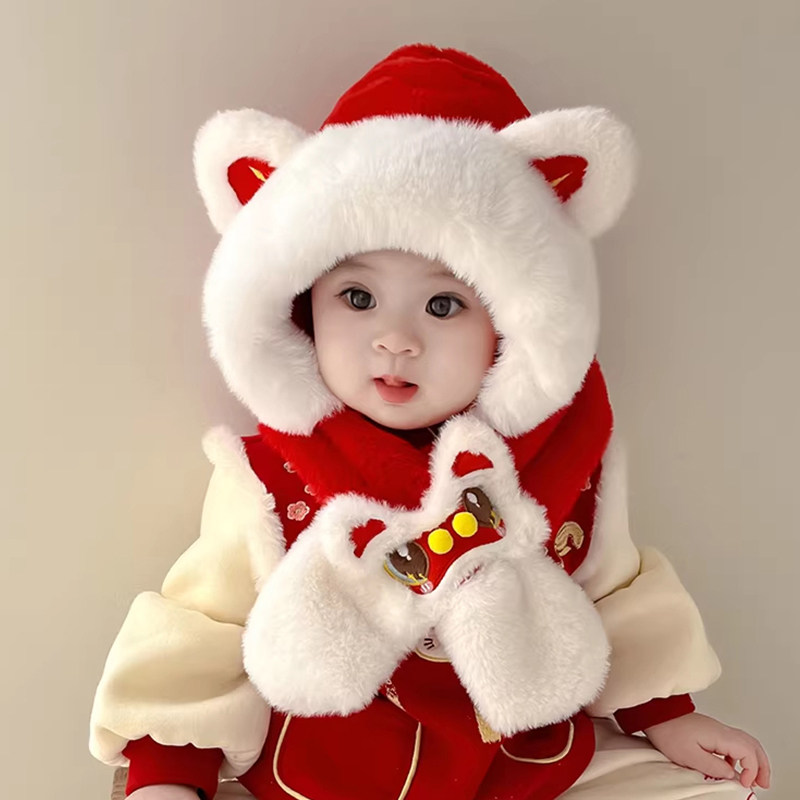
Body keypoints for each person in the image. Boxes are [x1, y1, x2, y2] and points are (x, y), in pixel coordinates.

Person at [89, 45, 771, 800]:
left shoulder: (568, 459)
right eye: (357, 298)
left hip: (514, 759)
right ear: (302, 307)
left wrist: (668, 716)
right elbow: (203, 626)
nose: (395, 340)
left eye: (443, 305)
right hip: (328, 766)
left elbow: (613, 593)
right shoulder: (268, 476)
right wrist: (167, 774)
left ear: (511, 327)